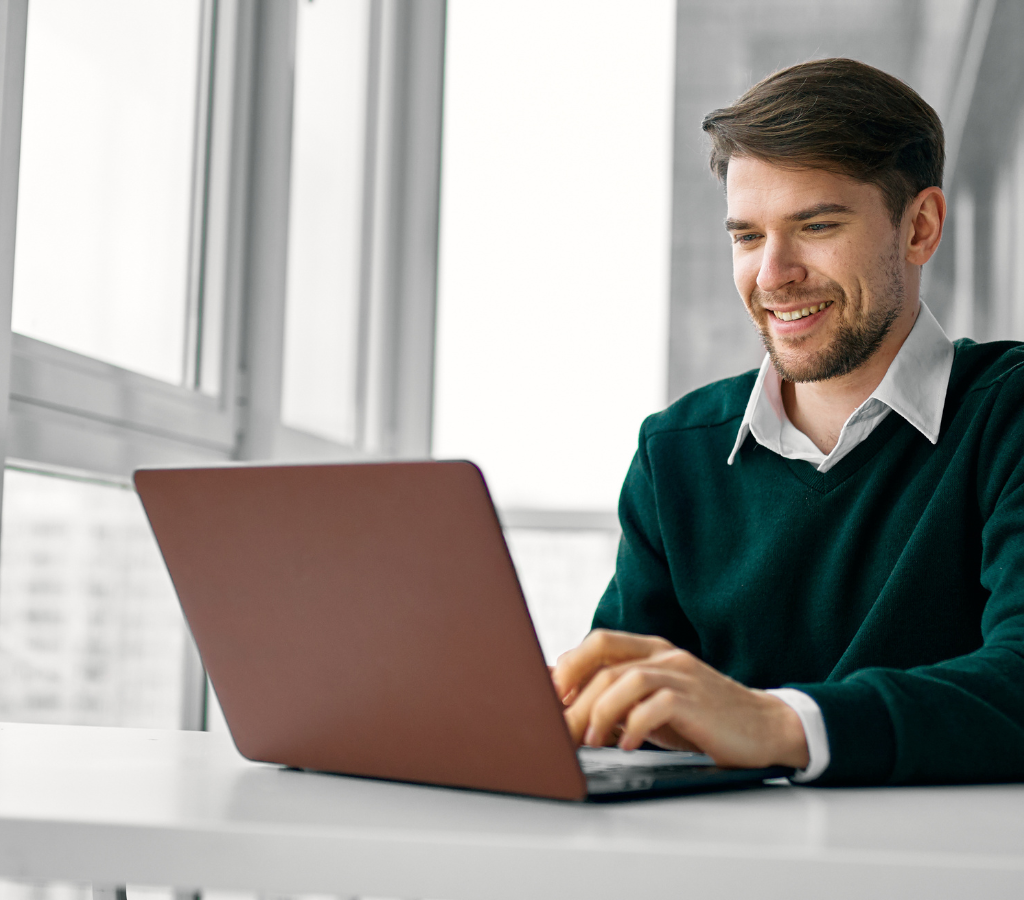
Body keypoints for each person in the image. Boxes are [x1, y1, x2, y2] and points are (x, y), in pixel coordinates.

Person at [551, 57, 1024, 786]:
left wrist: (775, 723)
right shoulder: (676, 453)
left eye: (816, 224)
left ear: (920, 228)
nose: (773, 274)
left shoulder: (1009, 415)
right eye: (747, 237)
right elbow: (624, 710)